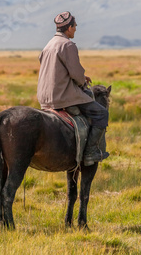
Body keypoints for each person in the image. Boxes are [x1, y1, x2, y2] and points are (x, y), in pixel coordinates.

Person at [37, 11, 109, 166]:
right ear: (69, 28)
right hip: (63, 97)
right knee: (102, 113)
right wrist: (82, 82)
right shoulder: (67, 45)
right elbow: (75, 73)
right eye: (75, 26)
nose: (76, 29)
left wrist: (83, 77)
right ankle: (90, 151)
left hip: (44, 97)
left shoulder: (48, 45)